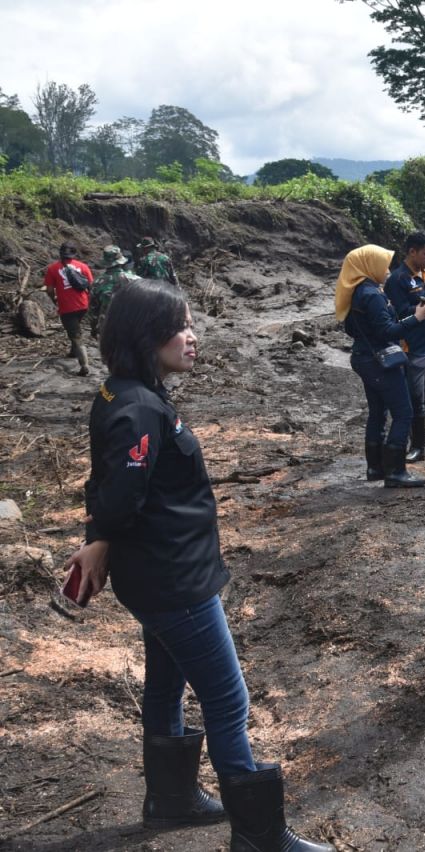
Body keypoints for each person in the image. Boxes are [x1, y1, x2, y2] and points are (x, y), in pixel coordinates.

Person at [60, 279, 333, 852]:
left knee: (165, 683)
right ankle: (259, 837)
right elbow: (118, 494)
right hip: (173, 580)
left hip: (161, 572)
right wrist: (100, 537)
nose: (192, 336)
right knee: (228, 699)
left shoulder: (126, 392)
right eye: (180, 327)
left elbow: (105, 482)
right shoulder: (137, 406)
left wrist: (100, 538)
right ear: (147, 335)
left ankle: (171, 799)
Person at [335, 244, 425, 488]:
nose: (388, 271)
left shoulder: (356, 292)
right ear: (370, 265)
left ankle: (375, 467)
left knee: (377, 412)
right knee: (404, 413)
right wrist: (417, 317)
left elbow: (353, 329)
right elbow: (387, 331)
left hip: (364, 357)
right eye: (384, 265)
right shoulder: (372, 295)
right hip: (380, 362)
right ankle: (395, 471)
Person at [384, 232, 425, 462]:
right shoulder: (397, 279)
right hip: (412, 347)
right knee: (414, 397)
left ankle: (421, 443)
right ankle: (415, 446)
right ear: (412, 252)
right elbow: (398, 313)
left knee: (424, 396)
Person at [43, 241, 94, 376]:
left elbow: (49, 290)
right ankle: (73, 352)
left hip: (67, 307)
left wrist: (54, 299)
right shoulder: (83, 266)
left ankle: (84, 365)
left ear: (60, 253)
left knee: (76, 335)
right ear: (74, 254)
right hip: (83, 305)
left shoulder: (53, 268)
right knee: (74, 328)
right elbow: (90, 285)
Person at [89, 245, 139, 338]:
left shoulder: (97, 283)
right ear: (121, 262)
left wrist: (94, 328)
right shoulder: (136, 280)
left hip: (107, 327)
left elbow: (93, 310)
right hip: (132, 326)